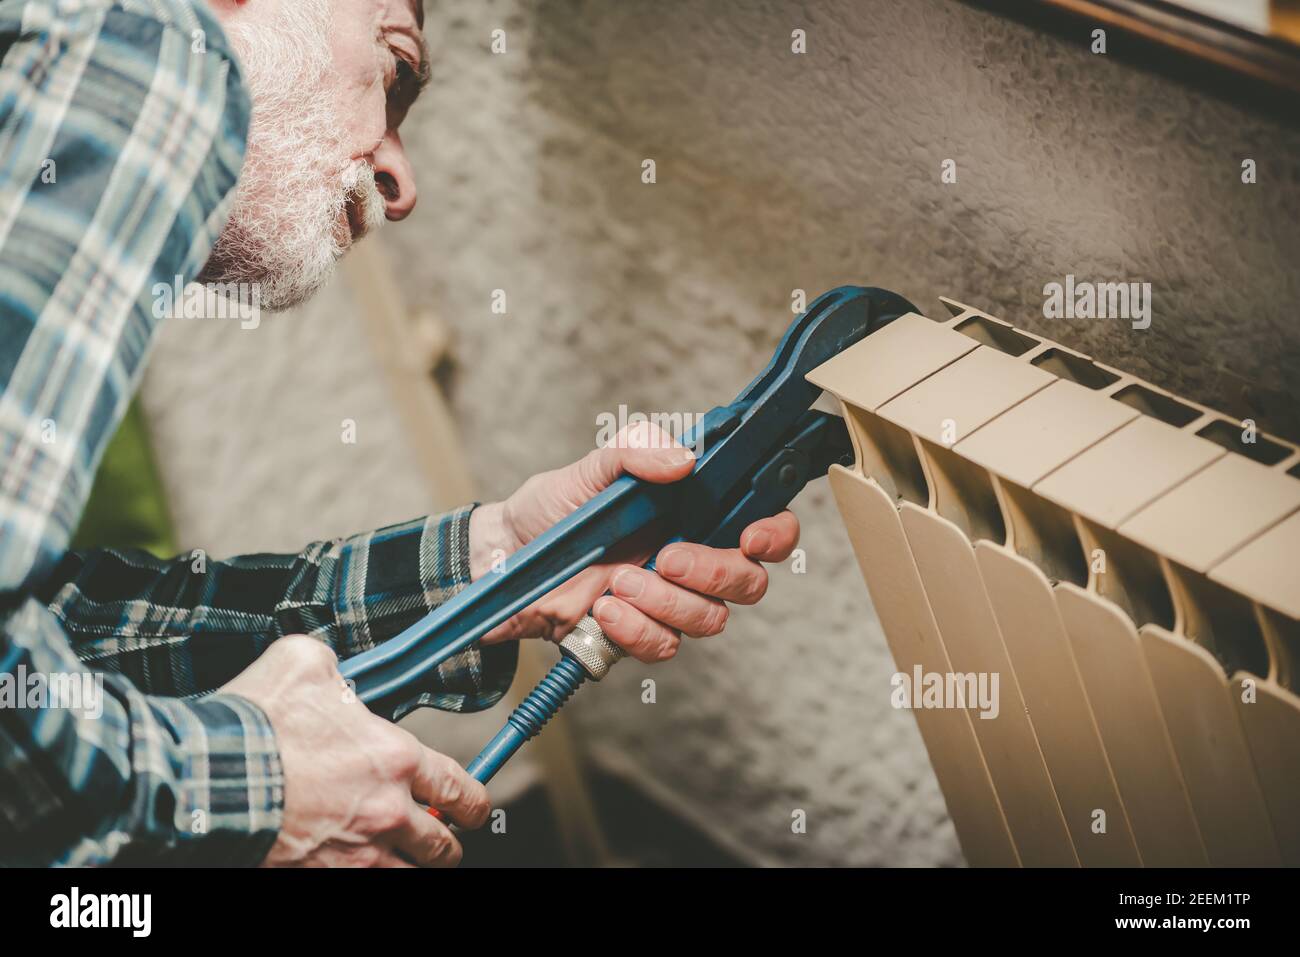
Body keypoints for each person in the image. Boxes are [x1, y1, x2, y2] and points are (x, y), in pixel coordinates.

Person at [0, 0, 800, 866]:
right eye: (392, 69)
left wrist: (503, 561)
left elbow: (67, 638)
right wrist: (261, 785)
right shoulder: (144, 50)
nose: (401, 185)